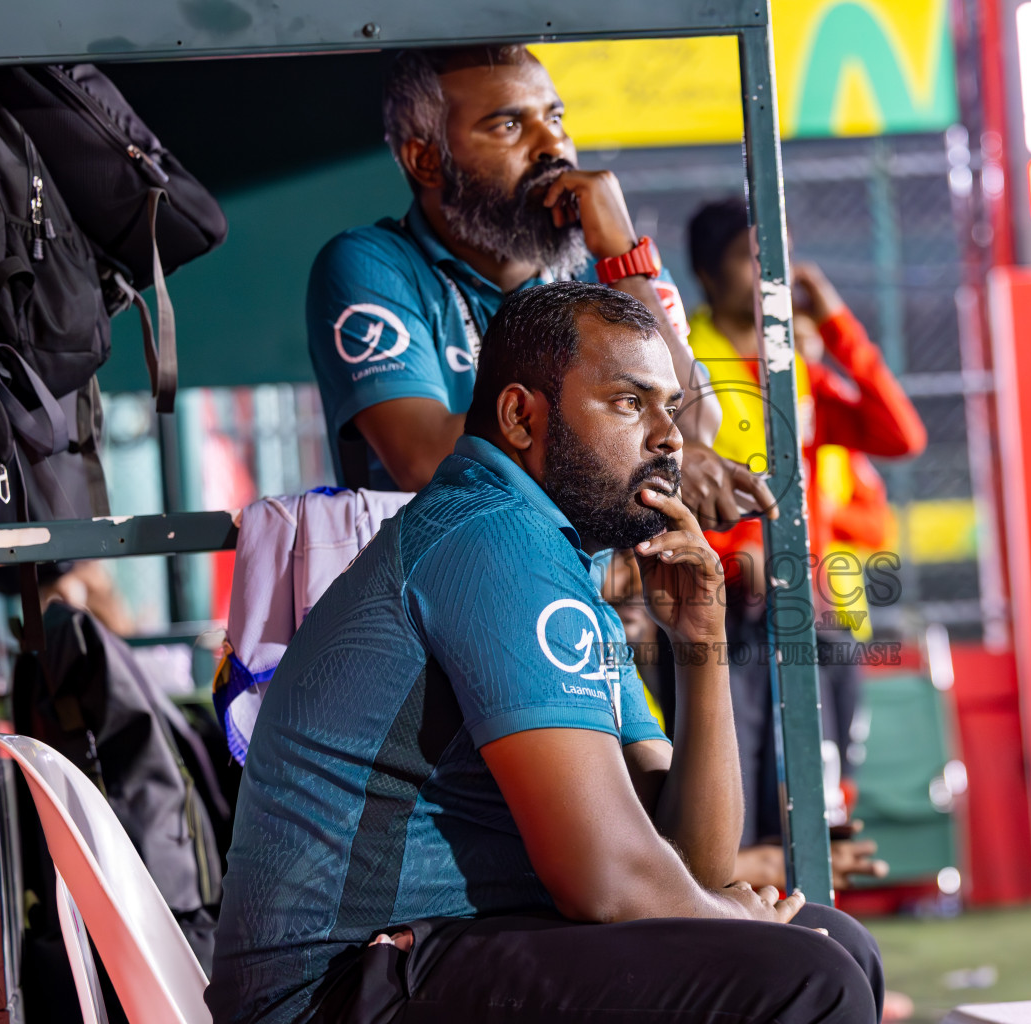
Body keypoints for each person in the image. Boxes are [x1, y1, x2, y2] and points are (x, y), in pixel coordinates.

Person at [209, 282, 883, 1024]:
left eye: (670, 408)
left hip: (426, 957)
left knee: (834, 944)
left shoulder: (559, 558)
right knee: (809, 975)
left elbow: (693, 863)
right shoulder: (492, 539)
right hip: (327, 995)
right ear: (521, 417)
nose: (670, 439)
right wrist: (737, 922)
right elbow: (608, 883)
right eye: (631, 404)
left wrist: (703, 643)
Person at [307, 45, 767, 538]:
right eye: (508, 125)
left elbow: (695, 421)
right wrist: (641, 457)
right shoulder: (373, 262)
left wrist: (626, 259)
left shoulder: (609, 261)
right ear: (426, 160)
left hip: (595, 595)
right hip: (445, 585)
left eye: (556, 117)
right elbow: (425, 461)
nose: (553, 145)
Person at [685, 197, 927, 884]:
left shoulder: (793, 363)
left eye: (780, 253)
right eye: (748, 256)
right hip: (725, 617)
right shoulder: (682, 360)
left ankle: (825, 950)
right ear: (706, 272)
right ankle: (760, 956)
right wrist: (736, 555)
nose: (772, 270)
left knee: (819, 793)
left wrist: (836, 321)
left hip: (818, 610)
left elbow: (900, 435)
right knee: (738, 792)